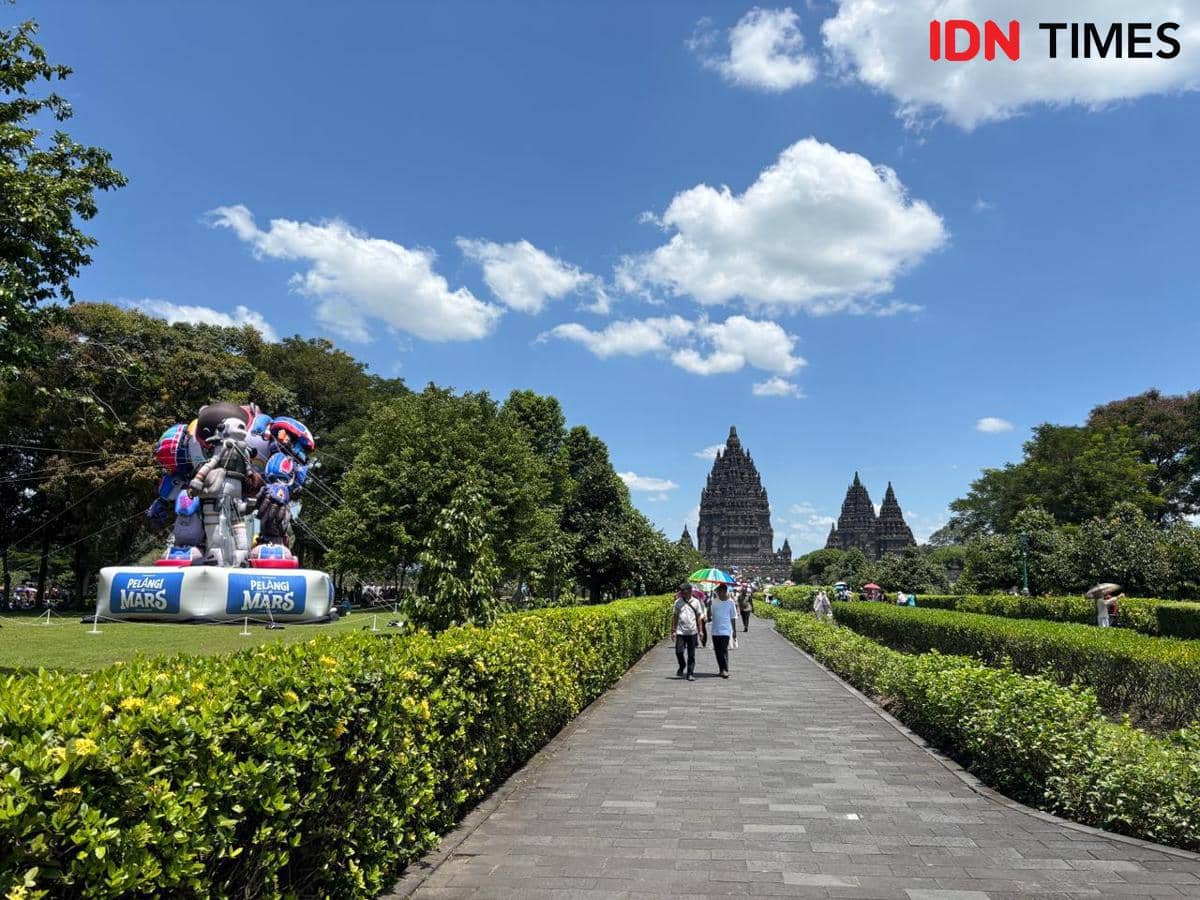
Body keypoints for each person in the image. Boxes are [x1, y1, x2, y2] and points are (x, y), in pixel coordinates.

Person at [672, 584, 705, 681]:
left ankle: (690, 673)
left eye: (684, 591)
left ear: (690, 591)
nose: (682, 593)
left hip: (692, 632)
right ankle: (682, 665)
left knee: (691, 654)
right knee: (679, 651)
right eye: (681, 591)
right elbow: (675, 616)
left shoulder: (696, 602)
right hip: (680, 632)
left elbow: (698, 617)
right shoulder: (678, 602)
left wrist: (700, 631)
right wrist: (673, 631)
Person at [709, 584, 738, 679]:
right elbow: (710, 616)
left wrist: (734, 631)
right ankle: (721, 669)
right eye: (717, 591)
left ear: (725, 591)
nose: (718, 593)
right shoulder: (713, 602)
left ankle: (725, 670)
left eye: (720, 591)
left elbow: (733, 617)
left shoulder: (731, 602)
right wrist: (708, 607)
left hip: (726, 630)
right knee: (717, 651)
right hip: (715, 630)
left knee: (723, 649)